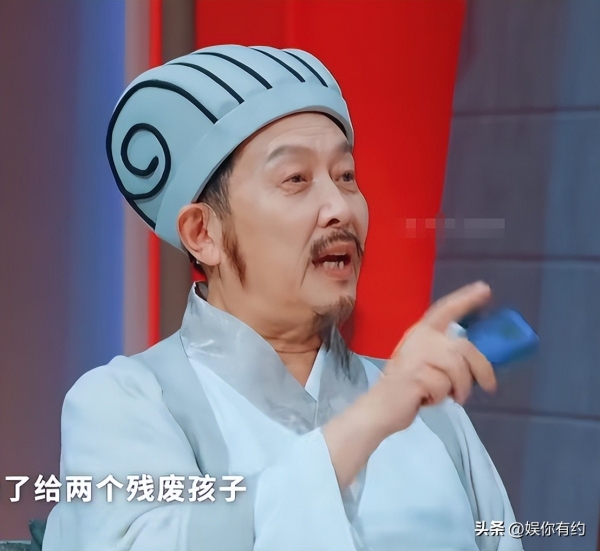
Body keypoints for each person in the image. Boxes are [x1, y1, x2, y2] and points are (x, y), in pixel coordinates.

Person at [43, 45, 522, 551]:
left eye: (346, 176)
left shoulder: (435, 415)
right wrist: (370, 420)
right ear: (203, 233)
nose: (339, 208)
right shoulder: (127, 401)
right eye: (296, 179)